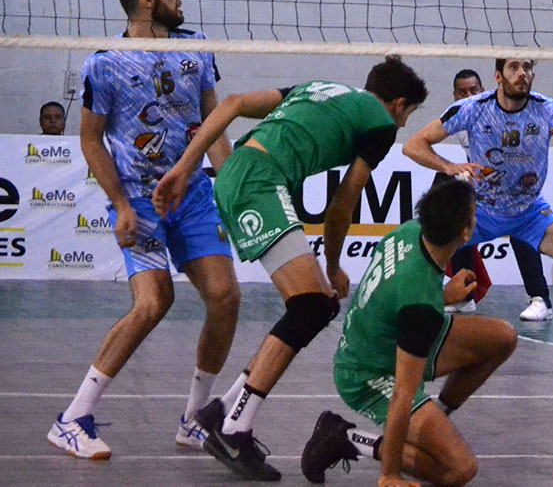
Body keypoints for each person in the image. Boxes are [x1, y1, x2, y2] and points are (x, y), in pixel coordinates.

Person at [153, 56, 429, 480]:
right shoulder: (381, 125)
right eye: (407, 114)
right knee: (310, 306)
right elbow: (342, 204)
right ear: (398, 104)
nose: (403, 123)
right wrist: (334, 266)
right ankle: (235, 430)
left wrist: (182, 168)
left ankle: (222, 409)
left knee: (320, 305)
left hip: (247, 174)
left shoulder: (318, 88)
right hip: (259, 181)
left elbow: (231, 103)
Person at [48, 0, 240, 460]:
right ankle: (72, 419)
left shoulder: (196, 46)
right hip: (139, 196)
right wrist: (119, 205)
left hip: (192, 193)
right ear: (146, 1)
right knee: (153, 303)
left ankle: (195, 420)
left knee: (225, 297)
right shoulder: (105, 62)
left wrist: (234, 187)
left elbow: (213, 123)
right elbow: (91, 140)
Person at [298, 178, 519, 487]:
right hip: (366, 374)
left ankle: (433, 417)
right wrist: (390, 474)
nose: (477, 215)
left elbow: (398, 296)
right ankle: (349, 439)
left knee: (503, 337)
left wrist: (442, 296)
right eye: (474, 213)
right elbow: (402, 393)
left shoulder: (410, 231)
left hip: (384, 337)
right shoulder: (420, 307)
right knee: (459, 470)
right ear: (465, 233)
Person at [403, 59, 553, 325]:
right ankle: (457, 297)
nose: (522, 73)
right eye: (514, 67)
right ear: (498, 76)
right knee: (432, 238)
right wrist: (450, 167)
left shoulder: (549, 109)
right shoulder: (471, 109)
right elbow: (412, 145)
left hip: (528, 210)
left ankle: (544, 301)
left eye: (527, 68)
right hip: (482, 208)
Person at [442, 68, 550, 322]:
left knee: (522, 233)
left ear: (483, 90)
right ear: (455, 95)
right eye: (462, 92)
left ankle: (541, 299)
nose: (468, 95)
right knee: (459, 228)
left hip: (516, 189)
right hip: (484, 190)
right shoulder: (457, 116)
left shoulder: (495, 111)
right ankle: (464, 297)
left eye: (473, 90)